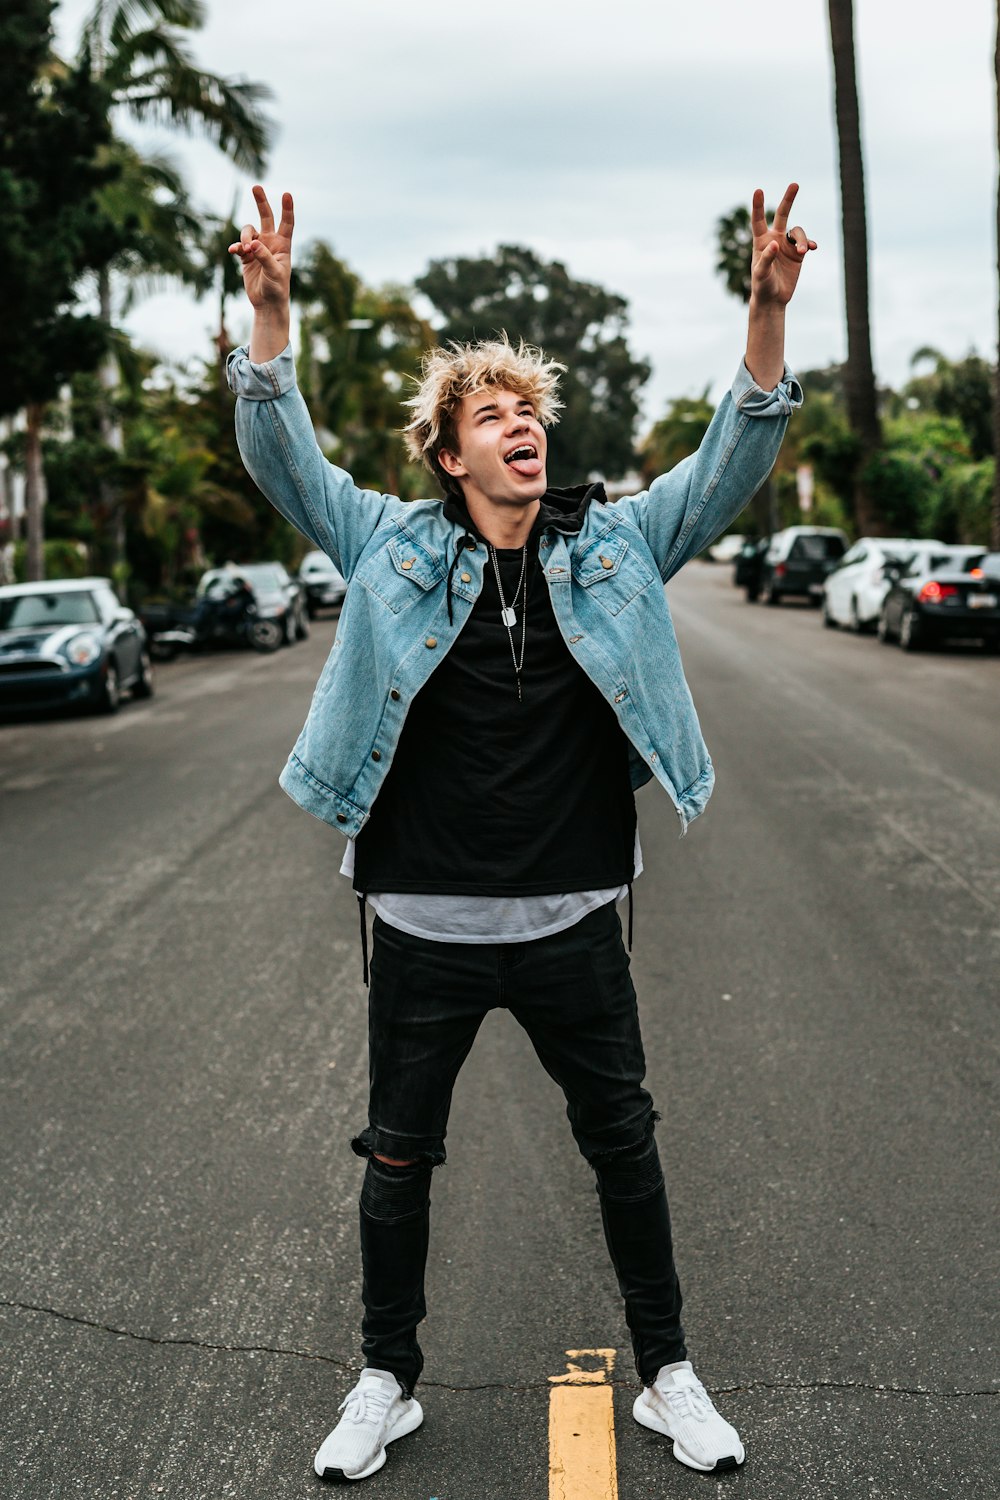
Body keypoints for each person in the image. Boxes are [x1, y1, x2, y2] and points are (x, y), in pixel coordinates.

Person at [226, 182, 814, 1482]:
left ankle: (669, 1376)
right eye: (492, 417)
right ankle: (386, 1377)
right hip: (424, 922)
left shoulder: (613, 547)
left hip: (571, 918)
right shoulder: (385, 546)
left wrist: (766, 316)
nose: (521, 430)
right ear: (449, 456)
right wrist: (270, 322)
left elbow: (735, 456)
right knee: (396, 1157)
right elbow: (282, 465)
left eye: (530, 414)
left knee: (625, 1145)